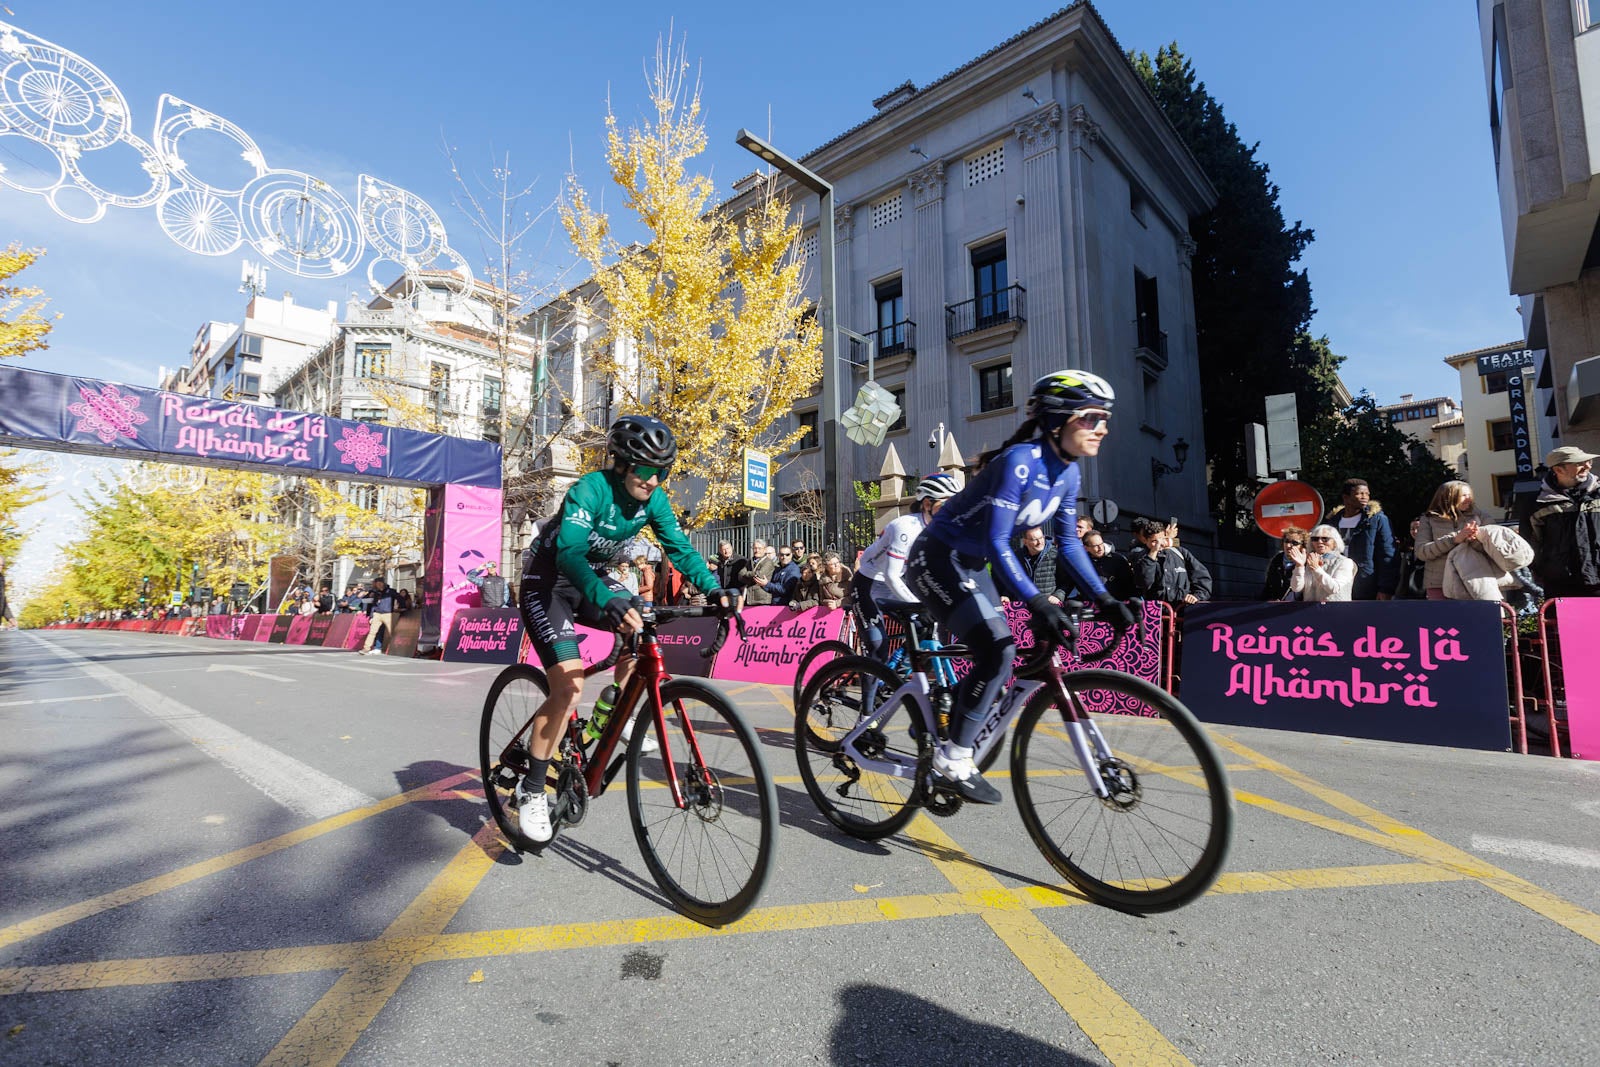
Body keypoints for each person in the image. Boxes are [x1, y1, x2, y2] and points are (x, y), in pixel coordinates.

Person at [907, 371, 1138, 805]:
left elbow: (1068, 542)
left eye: (1105, 418)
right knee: (998, 650)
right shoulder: (1019, 462)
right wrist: (1035, 599)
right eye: (1092, 418)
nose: (1103, 427)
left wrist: (1104, 598)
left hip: (972, 565)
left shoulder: (1067, 475)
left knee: (1001, 651)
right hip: (936, 558)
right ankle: (953, 759)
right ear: (1058, 420)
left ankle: (941, 715)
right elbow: (998, 540)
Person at [514, 414, 728, 844]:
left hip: (592, 577)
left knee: (642, 627)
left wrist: (715, 589)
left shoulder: (654, 500)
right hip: (549, 581)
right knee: (568, 687)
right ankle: (531, 789)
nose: (652, 481)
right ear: (621, 463)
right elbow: (571, 554)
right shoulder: (591, 489)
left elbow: (679, 549)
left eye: (661, 472)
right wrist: (605, 598)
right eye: (645, 470)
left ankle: (618, 713)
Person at [852, 472, 961, 658]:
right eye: (947, 504)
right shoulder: (905, 527)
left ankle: (897, 676)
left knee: (923, 633)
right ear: (927, 504)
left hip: (894, 584)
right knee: (878, 648)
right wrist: (920, 605)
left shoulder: (941, 531)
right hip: (868, 584)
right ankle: (872, 682)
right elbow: (890, 576)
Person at [1527, 445, 1600, 598]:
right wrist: (1543, 572)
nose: (1587, 466)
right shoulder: (1537, 503)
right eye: (1579, 463)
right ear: (1559, 470)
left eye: (1588, 461)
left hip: (1598, 578)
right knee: (1568, 623)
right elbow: (1531, 545)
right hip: (1561, 584)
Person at [1322, 478, 1398, 600]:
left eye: (1367, 494)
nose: (1365, 497)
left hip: (1366, 585)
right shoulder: (1333, 522)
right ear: (1346, 497)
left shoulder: (1377, 520)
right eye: (1359, 493)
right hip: (1336, 585)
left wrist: (1385, 588)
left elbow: (1387, 554)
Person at [1413, 481, 1486, 601]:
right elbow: (1421, 552)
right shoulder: (1428, 519)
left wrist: (1473, 540)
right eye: (1464, 495)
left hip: (1472, 580)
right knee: (1441, 619)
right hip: (1438, 583)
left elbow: (1490, 547)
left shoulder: (1480, 516)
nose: (1469, 499)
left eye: (1470, 495)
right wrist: (1454, 539)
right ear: (1449, 497)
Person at [1127, 517, 1212, 606]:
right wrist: (1153, 552)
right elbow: (1144, 582)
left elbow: (1201, 577)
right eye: (1154, 541)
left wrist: (1197, 596)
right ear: (1145, 540)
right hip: (1156, 613)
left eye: (1162, 539)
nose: (1160, 544)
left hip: (1183, 609)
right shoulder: (1142, 556)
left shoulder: (1180, 553)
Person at [1287, 525, 1357, 602]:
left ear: (1335, 542)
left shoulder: (1345, 562)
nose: (1319, 542)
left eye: (1325, 539)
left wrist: (1316, 569)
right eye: (1315, 539)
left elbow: (1335, 588)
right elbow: (1296, 588)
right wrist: (1299, 566)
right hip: (1309, 611)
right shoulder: (1310, 561)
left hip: (1336, 610)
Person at [1015, 526, 1065, 605]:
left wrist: (1058, 596)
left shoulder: (1055, 555)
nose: (1039, 542)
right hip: (1023, 607)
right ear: (1025, 541)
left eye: (1041, 538)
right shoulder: (1017, 557)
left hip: (1049, 605)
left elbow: (1066, 581)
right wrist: (1007, 595)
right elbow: (1012, 580)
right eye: (1034, 539)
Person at [1082, 528, 1136, 601]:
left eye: (1101, 543)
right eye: (1095, 546)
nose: (1100, 548)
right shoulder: (1083, 563)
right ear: (1086, 548)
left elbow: (1130, 585)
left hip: (1117, 603)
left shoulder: (1118, 560)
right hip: (1092, 604)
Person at [1262, 526, 1308, 601]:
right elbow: (1268, 585)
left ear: (1303, 546)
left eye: (1294, 543)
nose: (1288, 545)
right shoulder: (1277, 559)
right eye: (1286, 541)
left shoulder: (1308, 561)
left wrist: (1299, 565)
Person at [361, 578, 396, 654]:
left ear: (383, 583)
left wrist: (402, 607)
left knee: (391, 631)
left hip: (387, 613)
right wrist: (371, 615)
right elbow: (367, 601)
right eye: (376, 583)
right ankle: (366, 648)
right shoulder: (375, 592)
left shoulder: (390, 591)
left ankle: (395, 648)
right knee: (372, 632)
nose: (378, 585)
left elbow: (399, 598)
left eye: (379, 583)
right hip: (377, 613)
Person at [743, 539, 777, 606]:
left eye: (759, 548)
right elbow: (740, 575)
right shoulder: (750, 561)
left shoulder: (768, 562)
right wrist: (750, 574)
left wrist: (747, 574)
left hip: (762, 599)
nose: (757, 550)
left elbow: (758, 575)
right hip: (750, 598)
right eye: (755, 548)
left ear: (764, 550)